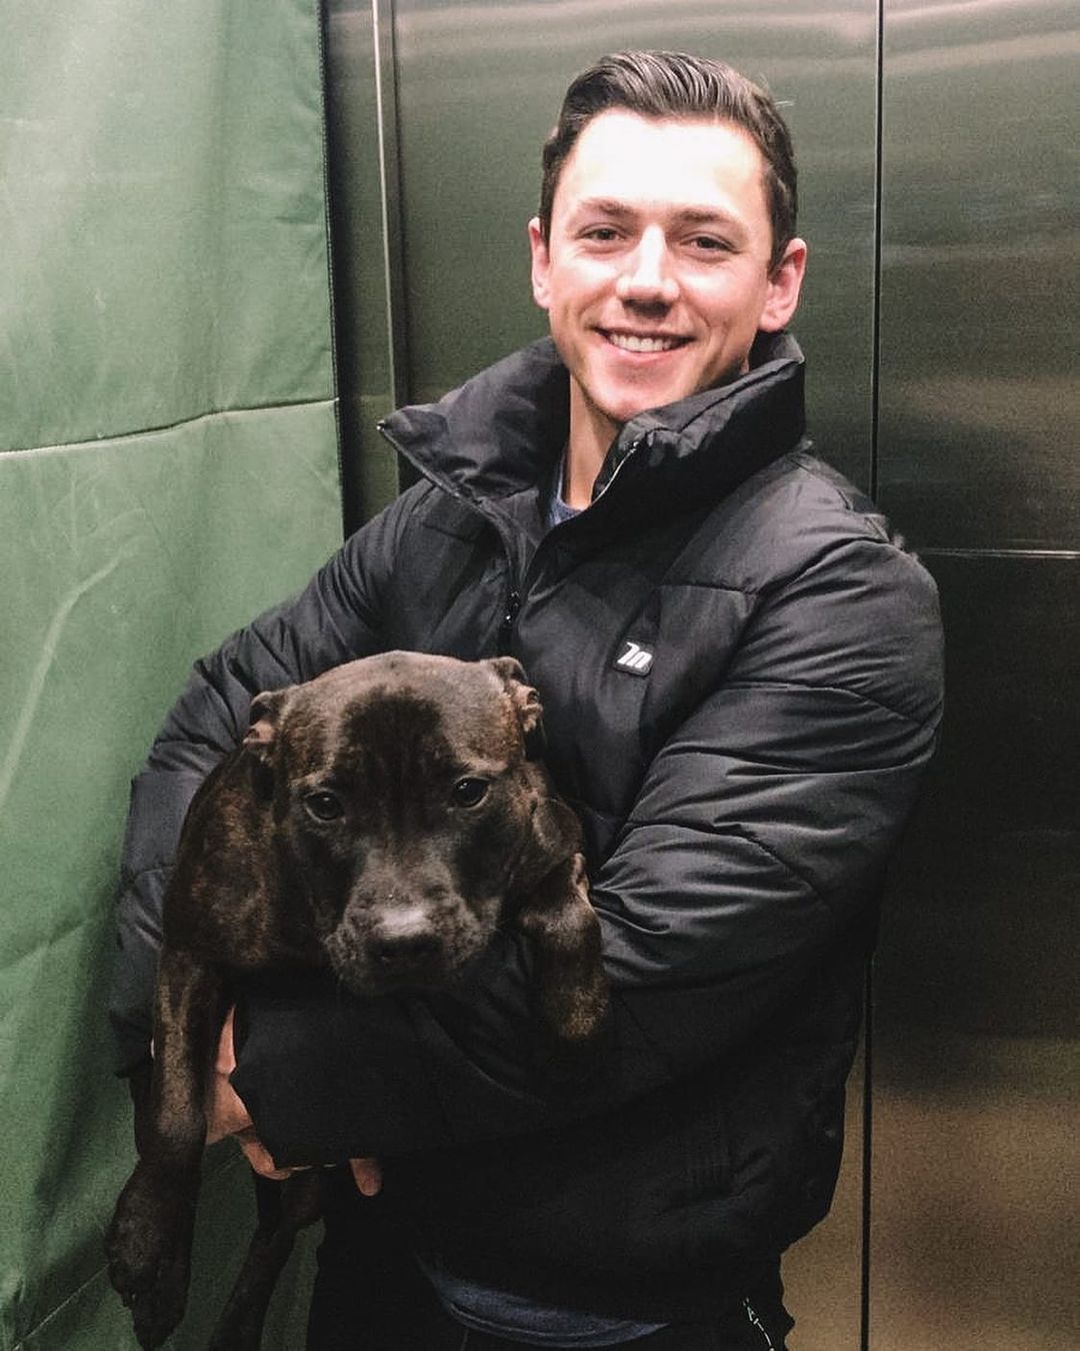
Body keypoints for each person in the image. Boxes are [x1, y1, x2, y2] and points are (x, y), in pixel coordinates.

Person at [110, 50, 944, 1350]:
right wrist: (185, 1029)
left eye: (704, 239)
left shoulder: (839, 598)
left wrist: (263, 1083)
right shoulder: (444, 526)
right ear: (545, 258)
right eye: (607, 231)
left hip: (613, 1303)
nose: (648, 280)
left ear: (781, 281)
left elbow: (644, 981)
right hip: (381, 1250)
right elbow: (220, 721)